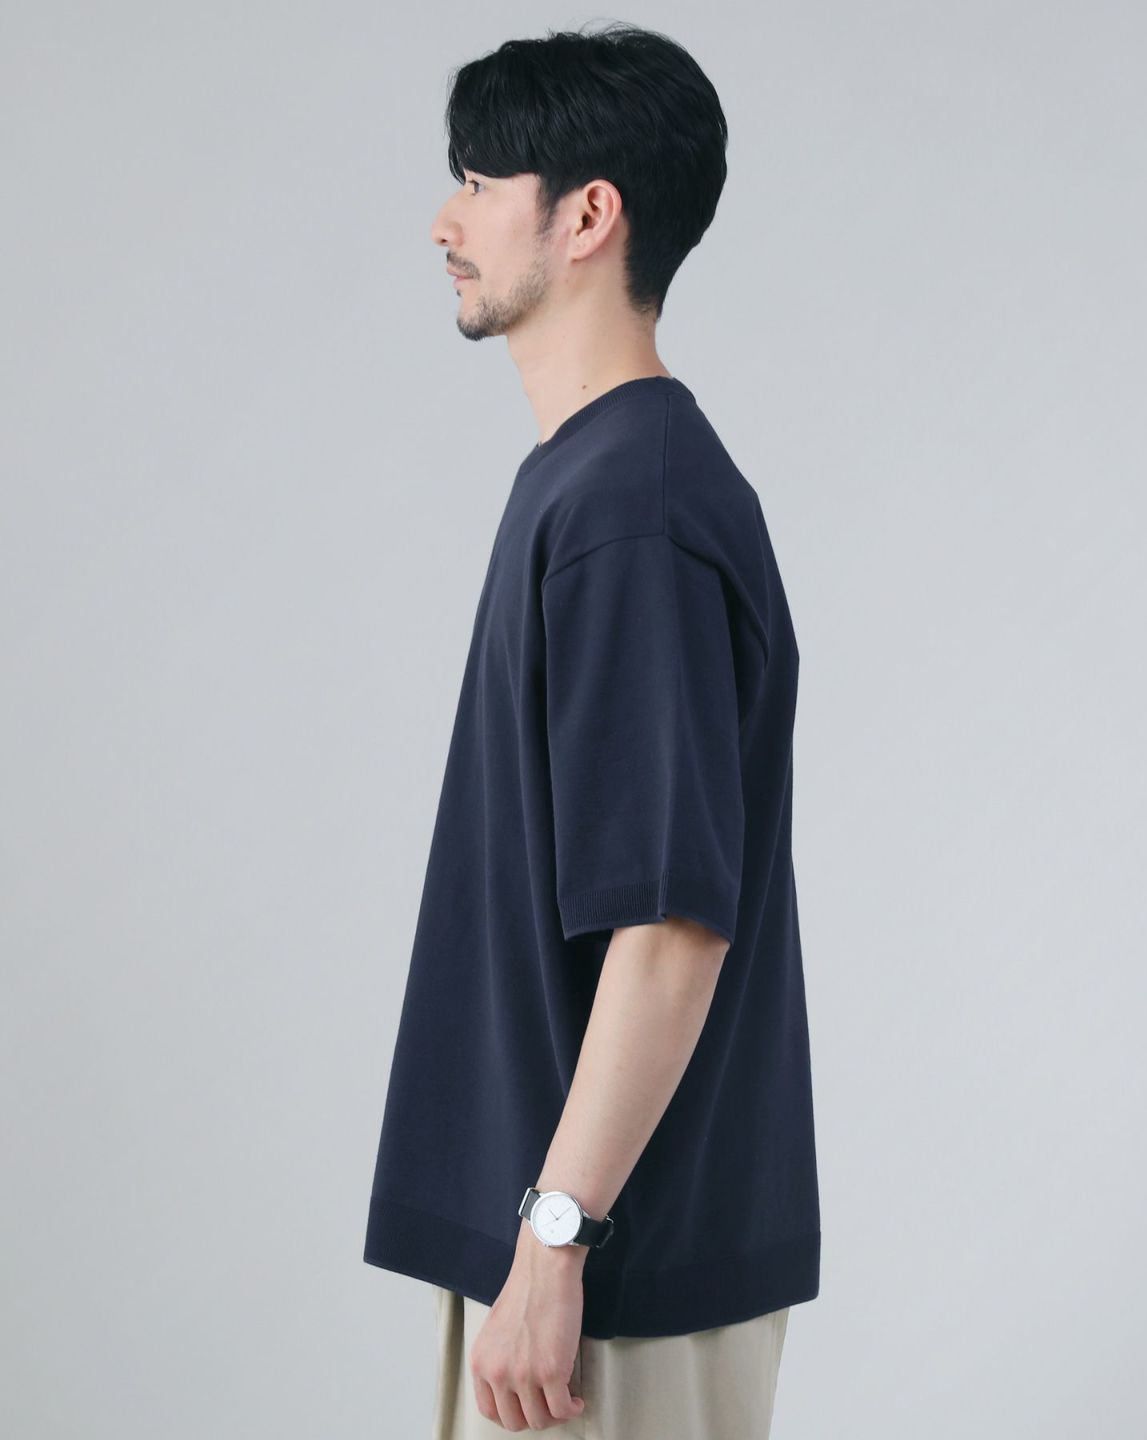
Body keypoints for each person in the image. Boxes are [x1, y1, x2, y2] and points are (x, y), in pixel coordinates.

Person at [363, 22, 821, 1437]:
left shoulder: (632, 507)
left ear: (586, 216)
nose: (444, 223)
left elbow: (670, 924)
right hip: (569, 1249)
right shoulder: (595, 480)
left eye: (479, 180)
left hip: (606, 1276)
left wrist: (557, 1240)